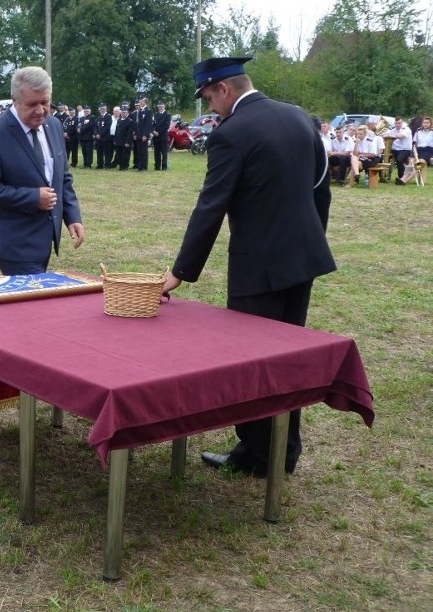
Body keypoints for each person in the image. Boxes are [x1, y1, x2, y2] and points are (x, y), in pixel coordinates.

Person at [163, 56, 335, 478]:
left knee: (252, 360)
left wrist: (180, 271)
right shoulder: (299, 117)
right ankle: (283, 450)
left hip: (258, 266)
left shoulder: (232, 134)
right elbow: (320, 189)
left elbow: (211, 206)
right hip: (303, 258)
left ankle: (259, 454)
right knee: (288, 357)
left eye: (207, 96)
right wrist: (310, 241)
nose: (208, 106)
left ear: (223, 88)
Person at [0, 66, 85, 275]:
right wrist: (33, 198)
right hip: (14, 241)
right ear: (14, 100)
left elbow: (63, 177)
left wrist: (72, 216)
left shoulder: (54, 125)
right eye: (32, 104)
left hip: (44, 238)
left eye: (45, 103)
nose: (41, 110)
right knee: (32, 303)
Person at [383, 117, 413, 183]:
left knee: (399, 160)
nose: (397, 125)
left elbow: (400, 136)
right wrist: (388, 134)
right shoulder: (393, 129)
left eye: (399, 123)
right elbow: (384, 135)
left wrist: (390, 134)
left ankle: (401, 178)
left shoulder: (406, 129)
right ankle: (383, 176)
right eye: (396, 123)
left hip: (405, 150)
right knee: (383, 158)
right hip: (395, 150)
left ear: (402, 123)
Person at [152, 100, 172, 170]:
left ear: (164, 106)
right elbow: (153, 124)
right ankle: (157, 166)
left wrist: (158, 132)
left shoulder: (167, 115)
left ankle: (164, 166)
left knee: (164, 152)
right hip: (155, 136)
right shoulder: (156, 114)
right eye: (159, 106)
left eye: (161, 106)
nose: (160, 107)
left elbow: (166, 125)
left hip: (163, 136)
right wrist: (153, 131)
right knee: (156, 152)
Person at [133, 97, 152, 171]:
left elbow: (148, 124)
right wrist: (135, 134)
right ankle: (139, 166)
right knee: (139, 150)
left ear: (145, 102)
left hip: (144, 134)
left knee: (144, 151)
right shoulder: (140, 111)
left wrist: (145, 135)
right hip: (138, 134)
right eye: (140, 101)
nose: (140, 102)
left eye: (142, 101)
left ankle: (144, 167)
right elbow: (138, 124)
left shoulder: (148, 111)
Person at [113, 105, 134, 171]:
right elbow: (116, 131)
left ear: (127, 113)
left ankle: (125, 166)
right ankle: (120, 166)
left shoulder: (129, 121)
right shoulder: (119, 120)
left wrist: (128, 142)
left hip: (125, 141)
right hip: (118, 140)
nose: (123, 114)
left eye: (125, 112)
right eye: (122, 112)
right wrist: (115, 140)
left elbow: (130, 133)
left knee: (125, 155)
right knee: (119, 154)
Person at [93, 103, 112, 169]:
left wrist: (100, 134)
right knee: (99, 152)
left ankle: (107, 165)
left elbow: (107, 127)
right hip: (98, 138)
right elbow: (95, 127)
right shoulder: (98, 118)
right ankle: (100, 165)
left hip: (106, 138)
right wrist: (96, 134)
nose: (102, 110)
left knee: (107, 152)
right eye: (101, 109)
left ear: (106, 109)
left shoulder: (109, 117)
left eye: (103, 108)